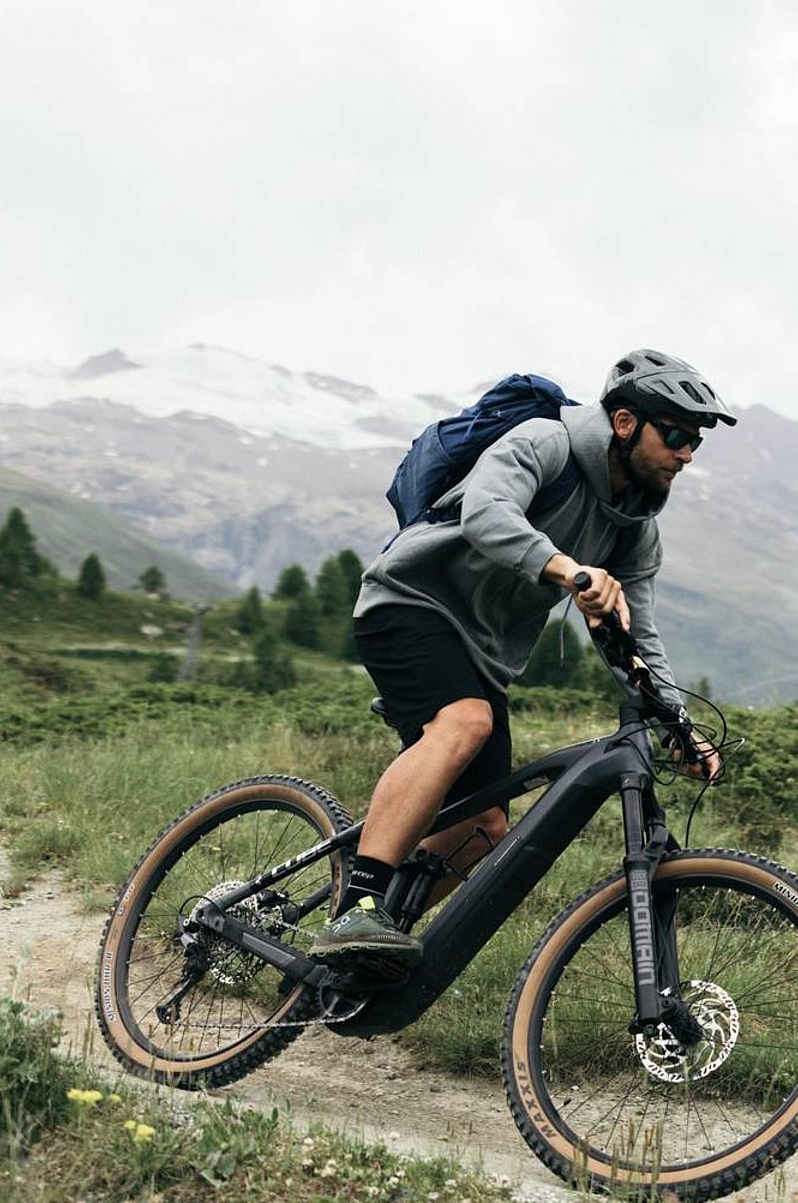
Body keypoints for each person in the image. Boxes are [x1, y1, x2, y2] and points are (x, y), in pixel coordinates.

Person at [312, 348, 733, 973]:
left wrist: (677, 721)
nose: (687, 452)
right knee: (464, 723)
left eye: (694, 441)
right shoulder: (544, 442)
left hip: (482, 657)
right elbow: (486, 513)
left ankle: (364, 950)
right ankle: (357, 905)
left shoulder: (634, 528)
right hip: (410, 601)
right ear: (624, 423)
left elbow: (636, 635)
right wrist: (569, 569)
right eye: (674, 434)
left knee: (483, 829)